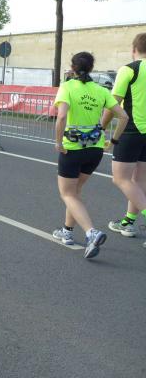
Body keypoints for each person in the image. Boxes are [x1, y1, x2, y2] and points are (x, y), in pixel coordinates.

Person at [50, 52, 127, 259]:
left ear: (72, 68)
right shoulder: (101, 90)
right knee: (75, 192)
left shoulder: (67, 87)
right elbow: (123, 116)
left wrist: (58, 142)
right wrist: (113, 141)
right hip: (95, 149)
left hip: (72, 148)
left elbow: (62, 116)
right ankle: (67, 232)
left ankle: (91, 232)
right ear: (91, 68)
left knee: (68, 194)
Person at [107, 32, 146, 248]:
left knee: (120, 179)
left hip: (132, 130)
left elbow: (113, 104)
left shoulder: (129, 69)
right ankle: (128, 222)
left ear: (134, 49)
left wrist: (101, 127)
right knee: (139, 182)